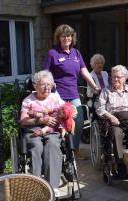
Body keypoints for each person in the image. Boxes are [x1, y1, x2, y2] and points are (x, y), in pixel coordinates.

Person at [44, 24, 99, 159]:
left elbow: (84, 71)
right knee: (61, 123)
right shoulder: (53, 53)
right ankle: (60, 149)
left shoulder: (76, 53)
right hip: (58, 94)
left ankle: (74, 149)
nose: (66, 38)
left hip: (73, 93)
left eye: (69, 36)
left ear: (72, 37)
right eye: (63, 36)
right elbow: (45, 73)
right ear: (59, 38)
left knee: (79, 121)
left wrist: (94, 86)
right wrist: (51, 85)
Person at [20, 70, 64, 196]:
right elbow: (23, 121)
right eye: (43, 84)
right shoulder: (28, 100)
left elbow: (67, 109)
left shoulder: (55, 97)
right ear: (35, 86)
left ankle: (53, 187)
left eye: (49, 84)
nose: (47, 88)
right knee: (37, 146)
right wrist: (41, 119)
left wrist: (71, 112)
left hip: (52, 130)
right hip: (34, 130)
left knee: (53, 145)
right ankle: (36, 185)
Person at [87, 53, 109, 119]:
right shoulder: (90, 76)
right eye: (97, 63)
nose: (100, 65)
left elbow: (110, 85)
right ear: (93, 65)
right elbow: (94, 90)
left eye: (101, 63)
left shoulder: (105, 73)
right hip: (94, 98)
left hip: (106, 97)